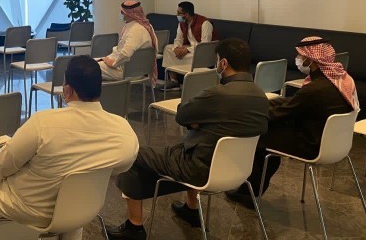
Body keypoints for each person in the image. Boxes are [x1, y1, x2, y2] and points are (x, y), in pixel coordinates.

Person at [0, 56, 138, 240]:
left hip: (32, 208)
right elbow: (122, 166)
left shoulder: (44, 122)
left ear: (68, 90)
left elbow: (3, 165)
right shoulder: (123, 130)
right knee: (75, 200)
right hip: (83, 208)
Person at [107, 38, 268, 240]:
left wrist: (199, 123)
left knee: (135, 155)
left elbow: (183, 115)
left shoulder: (217, 94)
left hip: (198, 169)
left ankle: (134, 227)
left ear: (224, 63)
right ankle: (191, 209)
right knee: (185, 147)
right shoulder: (260, 96)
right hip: (237, 170)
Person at [226, 36, 358, 206]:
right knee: (274, 120)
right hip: (334, 142)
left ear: (311, 59)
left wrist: (252, 115)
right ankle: (250, 189)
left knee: (261, 136)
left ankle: (249, 195)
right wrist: (268, 104)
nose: (298, 59)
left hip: (311, 144)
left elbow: (285, 112)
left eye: (301, 56)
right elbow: (296, 103)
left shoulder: (315, 89)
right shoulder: (341, 79)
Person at [162, 1, 217, 88]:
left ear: (186, 14)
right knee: (168, 48)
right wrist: (176, 48)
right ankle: (173, 81)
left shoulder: (205, 23)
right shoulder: (182, 23)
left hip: (203, 52)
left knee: (196, 56)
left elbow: (205, 45)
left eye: (179, 13)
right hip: (190, 49)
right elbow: (178, 39)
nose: (177, 15)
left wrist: (187, 50)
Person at [99, 0, 158, 81]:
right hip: (135, 69)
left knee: (87, 69)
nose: (120, 14)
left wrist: (113, 63)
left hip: (125, 71)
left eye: (122, 12)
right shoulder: (145, 26)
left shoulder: (135, 30)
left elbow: (126, 54)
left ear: (130, 14)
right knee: (89, 63)